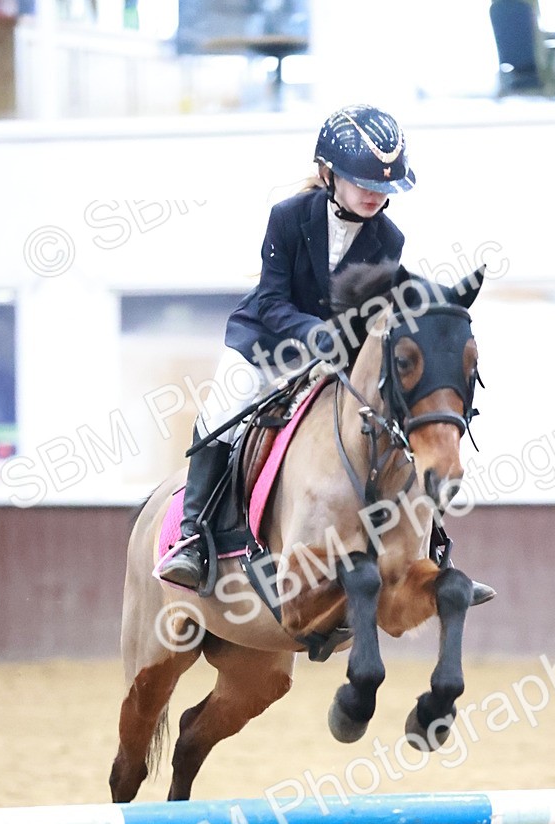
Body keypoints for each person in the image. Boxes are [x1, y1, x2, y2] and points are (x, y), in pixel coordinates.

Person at [160, 105, 494, 609]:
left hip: (333, 358)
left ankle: (430, 548)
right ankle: (191, 538)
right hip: (267, 347)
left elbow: (371, 309)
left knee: (396, 420)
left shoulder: (389, 238)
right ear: (328, 173)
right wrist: (314, 334)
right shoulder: (289, 217)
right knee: (219, 415)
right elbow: (271, 301)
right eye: (363, 182)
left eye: (384, 186)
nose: (374, 194)